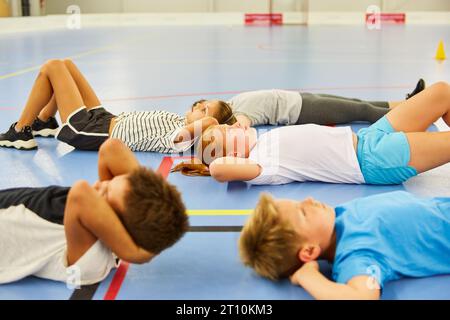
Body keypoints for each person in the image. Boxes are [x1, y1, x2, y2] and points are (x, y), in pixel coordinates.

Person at [173, 81, 450, 186]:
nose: (235, 125)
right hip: (374, 159)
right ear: (233, 155)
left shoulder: (264, 141)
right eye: (229, 132)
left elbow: (220, 143)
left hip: (368, 137)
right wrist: (209, 157)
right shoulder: (263, 166)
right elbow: (220, 169)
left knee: (441, 93)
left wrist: (211, 125)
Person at [0, 138, 189, 285]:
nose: (98, 184)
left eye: (105, 192)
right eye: (108, 183)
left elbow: (81, 193)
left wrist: (135, 253)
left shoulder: (93, 262)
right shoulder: (109, 222)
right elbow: (111, 149)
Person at [238, 191, 450, 300]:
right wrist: (308, 277)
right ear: (309, 251)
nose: (309, 200)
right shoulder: (355, 254)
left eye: (299, 202)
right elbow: (361, 297)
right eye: (303, 212)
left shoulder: (339, 216)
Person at [0, 59, 236, 152]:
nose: (200, 105)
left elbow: (185, 136)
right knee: (67, 65)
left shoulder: (182, 139)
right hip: (106, 118)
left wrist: (212, 123)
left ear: (205, 126)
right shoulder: (178, 120)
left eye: (205, 110)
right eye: (203, 104)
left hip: (93, 131)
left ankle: (20, 132)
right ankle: (44, 122)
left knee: (52, 67)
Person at [190, 79, 425, 129]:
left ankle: (411, 103)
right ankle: (417, 115)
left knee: (358, 102)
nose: (201, 104)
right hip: (305, 111)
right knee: (361, 111)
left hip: (301, 98)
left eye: (200, 105)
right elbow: (241, 125)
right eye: (203, 110)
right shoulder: (240, 113)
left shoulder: (233, 102)